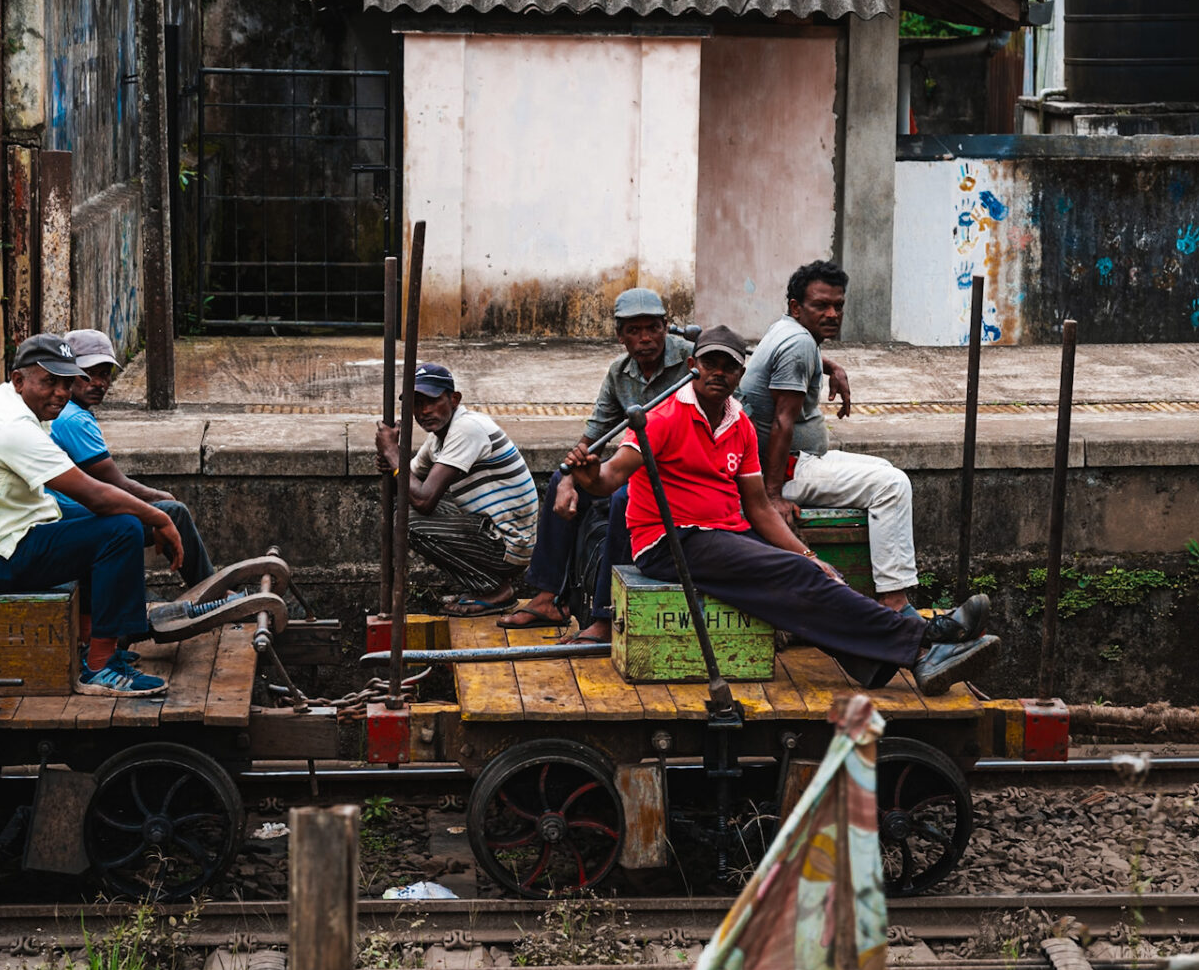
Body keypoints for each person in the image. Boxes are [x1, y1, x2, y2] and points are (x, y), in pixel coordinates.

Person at [569, 325, 996, 695]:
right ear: (692, 367)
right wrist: (587, 475)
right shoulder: (662, 417)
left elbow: (759, 508)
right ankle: (926, 639)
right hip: (673, 540)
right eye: (710, 363)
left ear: (740, 374)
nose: (719, 372)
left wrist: (808, 555)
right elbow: (608, 479)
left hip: (724, 534)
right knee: (799, 577)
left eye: (729, 366)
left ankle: (876, 662)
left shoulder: (740, 425)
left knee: (814, 575)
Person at [0, 334, 283, 697]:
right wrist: (160, 519)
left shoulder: (14, 407)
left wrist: (155, 515)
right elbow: (98, 495)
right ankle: (100, 666)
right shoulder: (13, 426)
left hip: (5, 540)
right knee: (119, 529)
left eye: (67, 383)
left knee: (109, 528)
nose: (60, 392)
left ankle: (97, 640)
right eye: (49, 382)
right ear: (19, 380)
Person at [500, 287, 692, 638]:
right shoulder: (619, 373)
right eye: (634, 331)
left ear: (666, 326)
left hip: (681, 474)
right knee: (562, 482)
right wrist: (571, 477)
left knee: (624, 499)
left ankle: (605, 615)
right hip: (635, 467)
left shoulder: (693, 361)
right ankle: (549, 598)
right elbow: (594, 436)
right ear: (620, 336)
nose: (645, 338)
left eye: (652, 328)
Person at [739, 260, 921, 615]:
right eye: (821, 305)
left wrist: (831, 365)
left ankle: (873, 584)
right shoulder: (797, 344)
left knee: (882, 469)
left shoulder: (788, 331)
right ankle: (894, 602)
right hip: (787, 470)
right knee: (892, 484)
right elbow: (781, 422)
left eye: (838, 305)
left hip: (797, 461)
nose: (832, 313)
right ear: (796, 307)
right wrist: (773, 496)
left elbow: (795, 358)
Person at [46, 328, 281, 601]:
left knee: (163, 512)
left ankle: (209, 592)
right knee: (174, 512)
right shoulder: (74, 419)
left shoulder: (67, 412)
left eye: (105, 374)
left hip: (70, 509)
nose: (99, 383)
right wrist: (161, 501)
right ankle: (213, 594)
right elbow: (115, 482)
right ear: (68, 374)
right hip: (70, 514)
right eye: (89, 375)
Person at [373, 362, 539, 614]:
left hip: (510, 546)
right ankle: (488, 585)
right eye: (416, 404)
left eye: (432, 401)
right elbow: (409, 486)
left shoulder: (467, 428)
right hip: (494, 533)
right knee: (406, 510)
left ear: (454, 399)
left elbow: (423, 500)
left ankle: (495, 590)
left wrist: (393, 454)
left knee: (408, 522)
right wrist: (393, 464)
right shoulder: (440, 438)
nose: (424, 411)